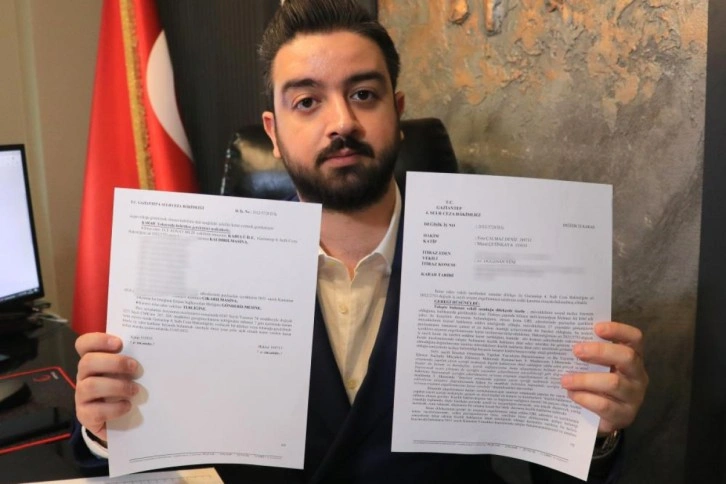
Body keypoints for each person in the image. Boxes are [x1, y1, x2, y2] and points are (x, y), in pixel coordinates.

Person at [72, 0, 648, 482]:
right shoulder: (200, 272)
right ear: (274, 132)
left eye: (364, 95)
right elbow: (146, 461)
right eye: (307, 101)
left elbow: (555, 471)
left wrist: (596, 432)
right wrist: (105, 428)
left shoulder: (506, 261)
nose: (341, 122)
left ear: (397, 112)